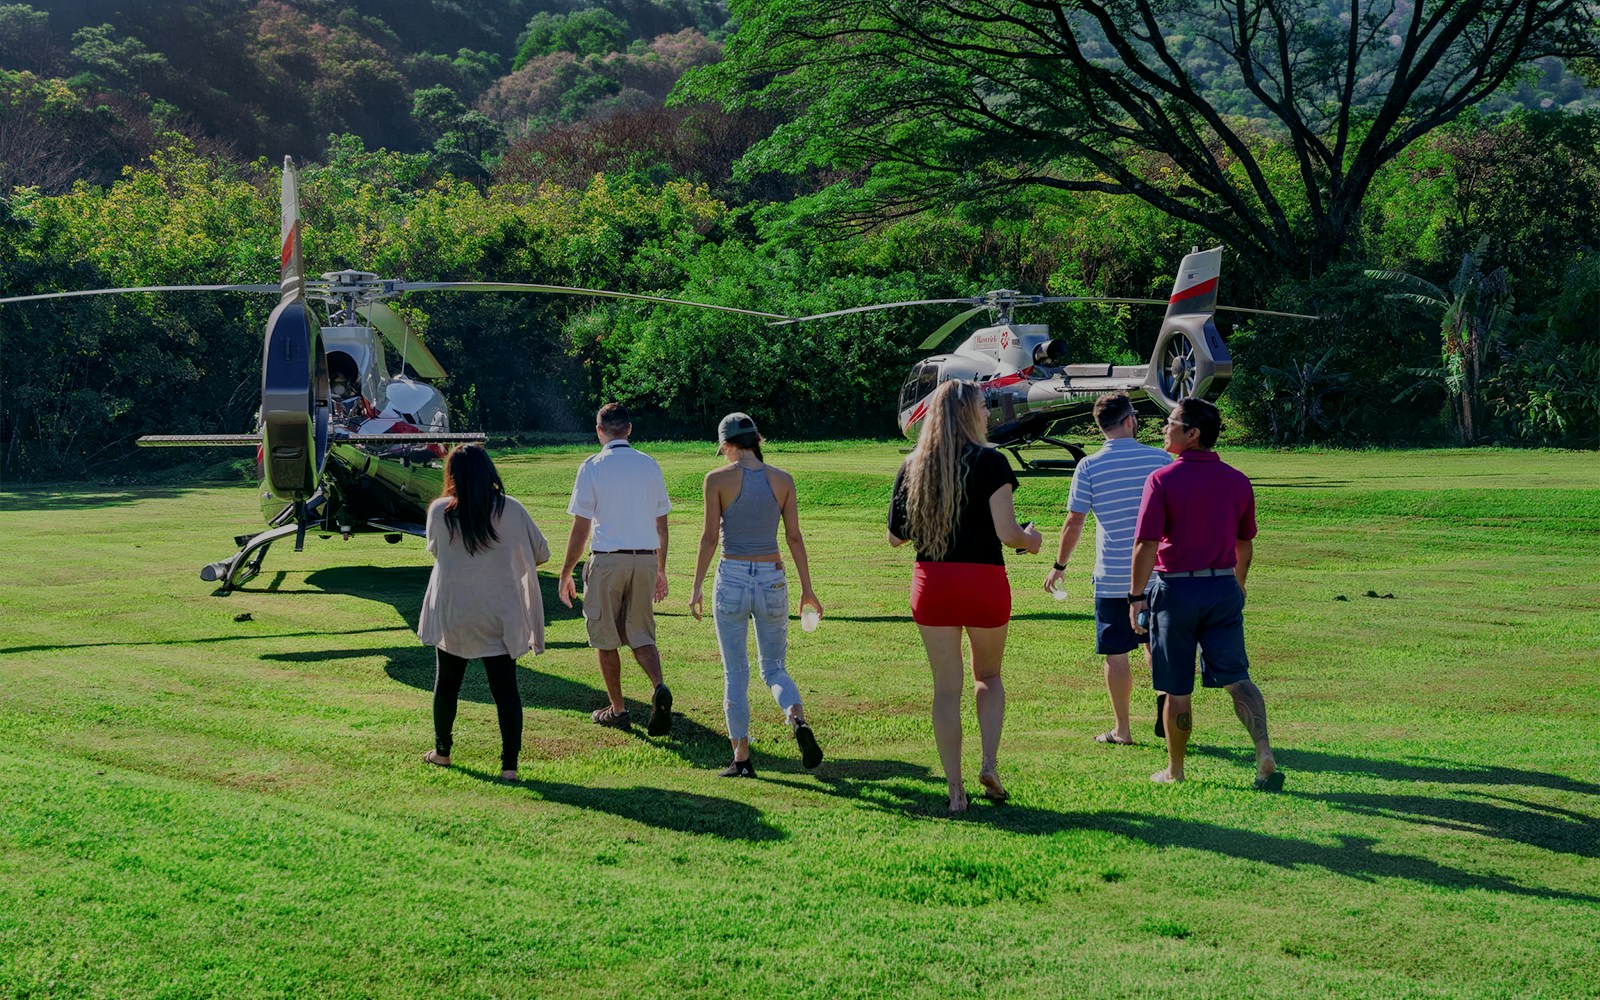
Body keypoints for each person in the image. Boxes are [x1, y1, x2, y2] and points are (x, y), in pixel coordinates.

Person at [887, 380, 1042, 814]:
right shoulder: (992, 462)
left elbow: (895, 538)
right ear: (969, 413)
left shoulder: (913, 465)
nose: (989, 414)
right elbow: (1008, 533)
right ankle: (989, 763)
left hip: (933, 584)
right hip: (983, 582)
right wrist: (1032, 541)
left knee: (945, 691)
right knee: (988, 677)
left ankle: (955, 791)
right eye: (983, 407)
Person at [1129, 397, 1282, 790]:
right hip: (1221, 586)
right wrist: (1238, 584)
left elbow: (1146, 545)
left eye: (1171, 423)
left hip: (1176, 589)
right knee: (1237, 678)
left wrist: (1135, 598)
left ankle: (1175, 771)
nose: (1164, 428)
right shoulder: (1237, 479)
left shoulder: (1162, 480)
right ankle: (1264, 751)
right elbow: (1244, 543)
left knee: (1177, 687)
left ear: (1192, 434)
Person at [689, 412, 825, 777]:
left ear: (727, 445)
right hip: (772, 577)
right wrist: (808, 590)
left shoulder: (716, 480)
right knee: (775, 668)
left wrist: (697, 585)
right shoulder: (782, 480)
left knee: (735, 672)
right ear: (757, 440)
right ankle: (796, 720)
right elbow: (794, 537)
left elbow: (709, 538)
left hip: (731, 574)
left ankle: (742, 758)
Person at [1043, 392, 1171, 746]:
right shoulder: (1160, 459)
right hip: (1158, 573)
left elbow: (1074, 522)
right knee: (1154, 645)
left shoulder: (1089, 466)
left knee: (1116, 652)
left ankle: (1122, 729)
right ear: (1130, 420)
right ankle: (1166, 705)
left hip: (1113, 575)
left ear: (1101, 426)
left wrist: (1059, 566)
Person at [417, 444, 550, 781]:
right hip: (499, 609)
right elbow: (541, 553)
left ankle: (442, 752)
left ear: (452, 475)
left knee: (447, 683)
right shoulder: (512, 510)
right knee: (505, 690)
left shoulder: (439, 511)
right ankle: (509, 767)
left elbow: (435, 549)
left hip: (455, 608)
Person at [557, 402, 674, 736]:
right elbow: (661, 525)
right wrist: (661, 569)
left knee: (605, 636)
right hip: (645, 558)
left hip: (608, 559)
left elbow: (580, 529)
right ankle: (658, 686)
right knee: (641, 632)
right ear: (629, 429)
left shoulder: (592, 466)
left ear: (599, 431)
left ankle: (619, 709)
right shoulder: (650, 465)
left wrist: (566, 572)